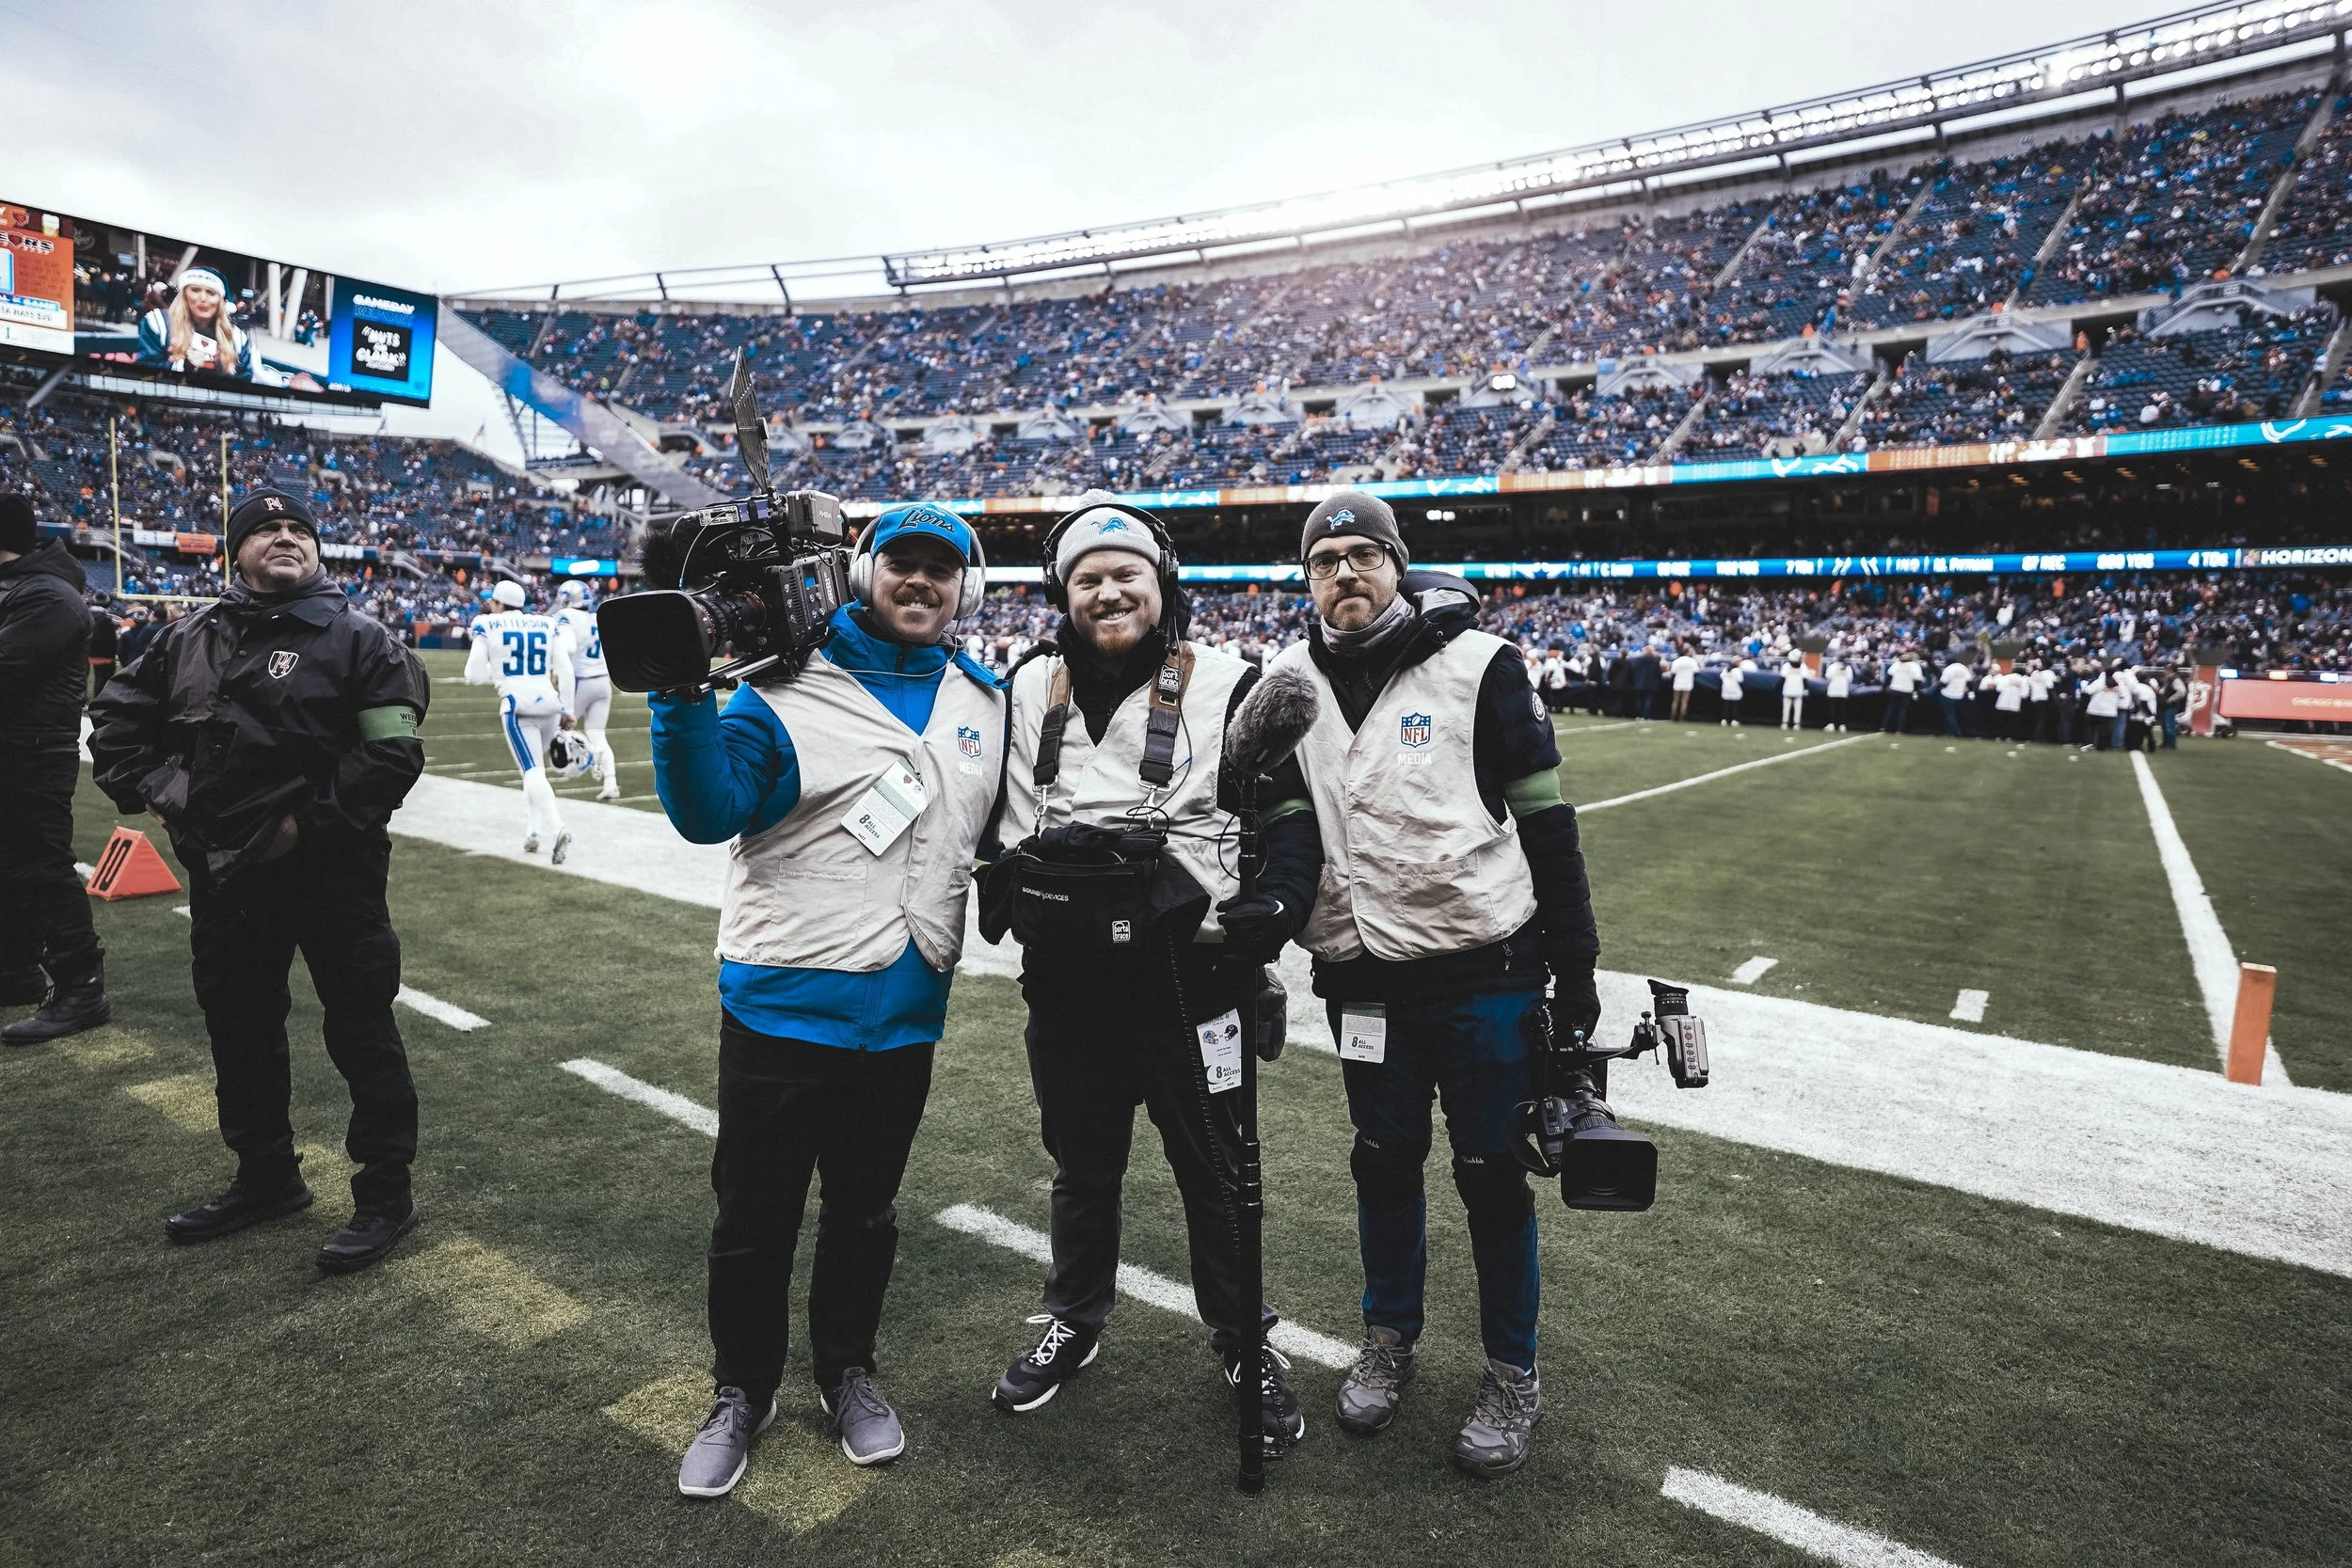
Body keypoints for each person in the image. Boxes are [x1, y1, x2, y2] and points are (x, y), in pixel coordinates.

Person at [647, 501, 1004, 1492]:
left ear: (964, 588)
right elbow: (705, 810)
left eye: (941, 570)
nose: (921, 583)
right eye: (903, 564)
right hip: (782, 1004)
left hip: (902, 1013)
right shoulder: (785, 685)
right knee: (753, 1217)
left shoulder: (983, 699)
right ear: (862, 571)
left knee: (864, 1212)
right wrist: (679, 693)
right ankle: (741, 1389)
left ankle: (849, 1369)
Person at [1268, 491, 1603, 1479]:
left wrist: (1576, 972)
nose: (1343, 573)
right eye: (1323, 558)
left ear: (1397, 564)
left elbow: (1548, 825)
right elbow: (1281, 826)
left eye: (1362, 553)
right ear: (1306, 577)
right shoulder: (1283, 679)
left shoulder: (1480, 664)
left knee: (1493, 1172)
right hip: (1361, 976)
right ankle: (1389, 1337)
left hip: (1482, 970)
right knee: (1382, 1157)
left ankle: (1511, 1368)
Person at [984, 499, 1314, 1454]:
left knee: (1218, 1174)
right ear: (1061, 592)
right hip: (1068, 985)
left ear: (1163, 583)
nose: (1108, 589)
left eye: (1126, 571)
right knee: (1082, 1172)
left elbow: (1291, 824)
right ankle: (1074, 1317)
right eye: (1086, 576)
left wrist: (1278, 909)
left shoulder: (1231, 682)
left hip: (1192, 980)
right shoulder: (1021, 687)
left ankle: (1243, 1340)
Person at [87, 488, 429, 1271]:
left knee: (360, 1027)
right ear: (232, 552)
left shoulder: (362, 641)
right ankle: (266, 1174)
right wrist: (171, 802)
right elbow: (113, 723)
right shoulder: (187, 637)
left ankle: (385, 1192)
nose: (284, 536)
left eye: (297, 528)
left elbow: (391, 755)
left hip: (332, 873)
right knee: (238, 1024)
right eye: (265, 528)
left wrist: (300, 827)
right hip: (224, 873)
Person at [1, 492, 112, 1044]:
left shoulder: (47, 596)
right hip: (17, 746)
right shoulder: (28, 590)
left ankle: (81, 989)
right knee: (13, 865)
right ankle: (16, 968)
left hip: (31, 752)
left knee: (42, 866)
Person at [466, 579, 576, 862]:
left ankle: (557, 827)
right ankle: (533, 832)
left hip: (518, 705)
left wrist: (494, 664)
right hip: (550, 703)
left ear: (499, 603)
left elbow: (474, 675)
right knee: (536, 771)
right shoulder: (546, 624)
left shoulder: (487, 624)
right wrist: (568, 708)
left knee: (531, 771)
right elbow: (564, 667)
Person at [552, 578, 620, 801]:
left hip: (581, 679)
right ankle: (610, 782)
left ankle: (579, 760)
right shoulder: (596, 617)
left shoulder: (567, 617)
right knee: (598, 733)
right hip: (602, 681)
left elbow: (568, 649)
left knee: (557, 728)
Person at [135, 267, 254, 381]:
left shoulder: (237, 338)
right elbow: (144, 377)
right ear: (184, 295)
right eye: (195, 290)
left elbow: (245, 384)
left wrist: (219, 371)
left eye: (211, 293)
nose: (203, 298)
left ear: (220, 300)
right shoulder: (158, 323)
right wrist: (181, 366)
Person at [1883, 649, 1923, 733]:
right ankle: (1900, 729)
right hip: (1906, 690)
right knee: (1903, 710)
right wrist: (1916, 691)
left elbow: (1888, 676)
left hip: (1894, 689)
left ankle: (1885, 727)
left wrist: (1885, 687)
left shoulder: (1897, 664)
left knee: (1891, 709)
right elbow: (1918, 681)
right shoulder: (1915, 666)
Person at [87, 591, 119, 694]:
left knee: (96, 676)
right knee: (103, 678)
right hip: (104, 654)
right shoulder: (106, 620)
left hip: (90, 650)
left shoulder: (87, 615)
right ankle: (99, 699)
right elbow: (110, 640)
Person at [1936, 654, 1973, 737]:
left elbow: (1943, 683)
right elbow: (1970, 681)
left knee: (1949, 715)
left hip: (1948, 694)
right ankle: (1951, 733)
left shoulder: (1948, 669)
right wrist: (1969, 691)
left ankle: (1956, 732)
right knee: (1957, 715)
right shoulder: (1963, 668)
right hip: (1960, 695)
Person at [1993, 661, 2028, 740]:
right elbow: (2024, 694)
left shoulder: (2006, 677)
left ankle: (2000, 736)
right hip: (2014, 703)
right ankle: (2010, 736)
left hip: (2003, 701)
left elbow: (1999, 688)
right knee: (2012, 721)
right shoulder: (2023, 680)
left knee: (2002, 720)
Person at [1822, 652, 1852, 731]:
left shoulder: (1832, 667)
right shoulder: (1848, 668)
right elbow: (1850, 679)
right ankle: (1842, 725)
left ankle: (1832, 724)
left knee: (1833, 708)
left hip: (1833, 690)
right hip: (1843, 691)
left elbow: (1828, 677)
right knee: (1842, 708)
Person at [1669, 643, 1699, 721]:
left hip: (1678, 682)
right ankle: (1682, 717)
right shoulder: (1692, 661)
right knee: (1684, 701)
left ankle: (1673, 716)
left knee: (1675, 700)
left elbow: (1673, 671)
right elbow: (1696, 671)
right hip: (1687, 682)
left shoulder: (1676, 661)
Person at [1779, 651, 1807, 730]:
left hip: (1790, 689)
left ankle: (1786, 723)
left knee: (1788, 708)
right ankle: (1795, 723)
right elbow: (1805, 678)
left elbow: (1782, 677)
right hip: (1795, 689)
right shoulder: (1801, 666)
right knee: (1796, 708)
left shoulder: (1788, 666)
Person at [1717, 654, 1745, 726]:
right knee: (1734, 706)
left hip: (1726, 689)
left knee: (1726, 705)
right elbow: (1740, 680)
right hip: (1734, 689)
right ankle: (1734, 720)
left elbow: (1721, 677)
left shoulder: (1725, 670)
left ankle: (1724, 720)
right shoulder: (1738, 671)